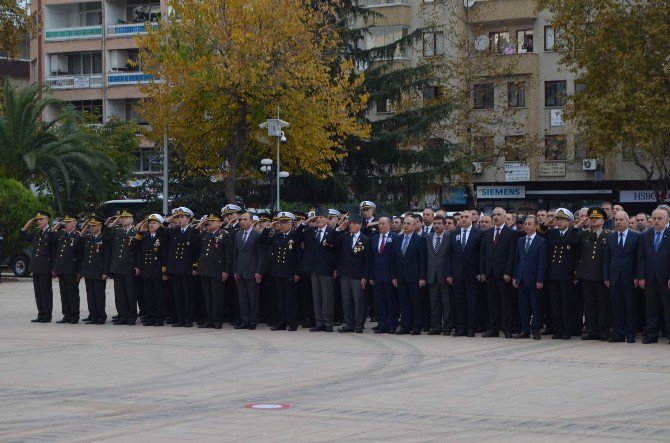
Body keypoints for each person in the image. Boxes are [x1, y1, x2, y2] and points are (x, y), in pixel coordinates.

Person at [604, 211, 642, 343]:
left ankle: (630, 334)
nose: (618, 222)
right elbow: (607, 258)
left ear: (627, 221)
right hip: (615, 277)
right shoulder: (611, 237)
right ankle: (618, 334)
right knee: (617, 307)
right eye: (616, 220)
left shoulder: (636, 236)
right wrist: (607, 277)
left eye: (621, 220)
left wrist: (638, 276)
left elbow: (639, 259)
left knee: (630, 307)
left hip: (630, 278)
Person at [259, 212, 301, 331]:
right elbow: (263, 240)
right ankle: (281, 322)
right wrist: (268, 227)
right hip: (277, 271)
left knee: (290, 299)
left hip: (289, 271)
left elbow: (298, 256)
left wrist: (297, 272)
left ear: (291, 224)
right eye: (280, 222)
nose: (282, 225)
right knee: (280, 299)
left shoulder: (294, 236)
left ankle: (292, 322)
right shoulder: (277, 236)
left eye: (285, 222)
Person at [479, 207, 517, 338]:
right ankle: (493, 328)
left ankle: (507, 328)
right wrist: (482, 272)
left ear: (505, 217)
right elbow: (483, 254)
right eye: (494, 215)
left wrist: (508, 272)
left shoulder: (511, 233)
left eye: (498, 215)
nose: (495, 217)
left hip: (503, 274)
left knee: (505, 303)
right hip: (489, 274)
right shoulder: (487, 233)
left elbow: (512, 255)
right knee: (492, 302)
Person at [297, 207, 337, 332]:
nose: (319, 219)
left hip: (326, 268)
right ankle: (319, 322)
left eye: (321, 217)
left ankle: (328, 323)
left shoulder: (332, 232)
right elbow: (297, 236)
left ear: (327, 220)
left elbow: (336, 252)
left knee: (327, 296)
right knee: (317, 296)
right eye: (317, 217)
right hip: (313, 268)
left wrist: (335, 268)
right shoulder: (310, 231)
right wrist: (306, 222)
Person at [543, 208, 580, 340]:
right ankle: (557, 330)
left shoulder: (574, 233)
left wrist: (576, 274)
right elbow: (539, 232)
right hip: (553, 273)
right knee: (555, 304)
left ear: (569, 221)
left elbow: (576, 255)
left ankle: (567, 330)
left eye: (563, 219)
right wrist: (547, 223)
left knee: (566, 304)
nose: (559, 222)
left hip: (566, 274)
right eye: (558, 219)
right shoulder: (552, 233)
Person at [446, 210, 484, 337]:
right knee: (459, 301)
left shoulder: (478, 233)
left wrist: (480, 272)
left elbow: (481, 255)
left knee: (472, 302)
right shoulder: (454, 234)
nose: (463, 219)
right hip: (457, 274)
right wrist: (449, 274)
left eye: (466, 217)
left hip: (472, 274)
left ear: (472, 218)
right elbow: (449, 255)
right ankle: (460, 328)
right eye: (461, 217)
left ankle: (471, 328)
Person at [576, 208, 611, 341]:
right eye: (591, 218)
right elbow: (571, 238)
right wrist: (579, 223)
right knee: (589, 305)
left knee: (603, 305)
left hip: (601, 276)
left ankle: (603, 331)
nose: (593, 220)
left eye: (596, 218)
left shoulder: (608, 235)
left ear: (603, 221)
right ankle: (591, 331)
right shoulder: (584, 235)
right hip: (586, 275)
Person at [637, 208, 670, 344]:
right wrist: (641, 277)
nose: (656, 221)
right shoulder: (646, 235)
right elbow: (641, 258)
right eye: (654, 218)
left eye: (660, 218)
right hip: (650, 278)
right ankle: (651, 335)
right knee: (650, 308)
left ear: (667, 219)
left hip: (665, 278)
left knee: (668, 308)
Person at [333, 214, 371, 333]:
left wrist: (365, 277)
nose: (352, 225)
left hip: (358, 275)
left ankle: (359, 324)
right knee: (346, 299)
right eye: (351, 223)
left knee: (358, 300)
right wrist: (340, 227)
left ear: (360, 225)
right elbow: (331, 240)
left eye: (354, 223)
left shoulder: (365, 239)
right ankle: (349, 323)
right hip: (345, 273)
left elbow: (368, 261)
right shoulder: (344, 237)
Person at [512, 215, 547, 340]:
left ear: (536, 226)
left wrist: (540, 279)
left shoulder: (541, 242)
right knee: (523, 306)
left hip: (534, 279)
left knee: (535, 306)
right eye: (525, 224)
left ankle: (536, 329)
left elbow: (542, 262)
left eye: (529, 224)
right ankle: (525, 329)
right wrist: (515, 277)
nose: (526, 226)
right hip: (521, 278)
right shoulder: (521, 241)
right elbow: (517, 260)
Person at [164, 207, 200, 328]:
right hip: (175, 268)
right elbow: (162, 227)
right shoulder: (174, 231)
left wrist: (194, 267)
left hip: (187, 268)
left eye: (182, 217)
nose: (179, 220)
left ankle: (188, 319)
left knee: (188, 296)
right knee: (177, 296)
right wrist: (171, 218)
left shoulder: (193, 231)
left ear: (189, 219)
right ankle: (180, 319)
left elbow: (196, 251)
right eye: (178, 217)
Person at [391, 215, 427, 335]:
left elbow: (422, 260)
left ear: (414, 226)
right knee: (404, 302)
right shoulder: (397, 239)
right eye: (404, 223)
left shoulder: (420, 239)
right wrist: (394, 276)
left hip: (415, 277)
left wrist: (422, 277)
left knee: (416, 302)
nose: (405, 225)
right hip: (401, 276)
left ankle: (416, 326)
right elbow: (394, 259)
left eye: (408, 224)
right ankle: (405, 326)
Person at [195, 213, 232, 329]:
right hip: (205, 270)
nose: (210, 223)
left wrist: (226, 271)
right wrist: (198, 226)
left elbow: (229, 256)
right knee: (207, 297)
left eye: (213, 221)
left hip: (217, 271)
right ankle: (209, 320)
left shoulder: (224, 235)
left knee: (217, 297)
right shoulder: (204, 234)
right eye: (208, 221)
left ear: (219, 223)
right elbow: (191, 240)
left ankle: (217, 320)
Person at [104, 209, 140, 325]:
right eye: (122, 218)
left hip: (129, 267)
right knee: (119, 294)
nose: (123, 219)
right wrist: (112, 224)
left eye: (126, 217)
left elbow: (139, 251)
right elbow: (105, 237)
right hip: (117, 266)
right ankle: (122, 316)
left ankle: (131, 317)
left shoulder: (136, 233)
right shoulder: (116, 231)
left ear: (132, 219)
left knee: (130, 294)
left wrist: (138, 266)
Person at [20, 210, 55, 323]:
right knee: (38, 292)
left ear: (47, 220)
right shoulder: (36, 232)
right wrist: (26, 226)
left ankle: (47, 315)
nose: (39, 221)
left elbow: (54, 251)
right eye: (37, 220)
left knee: (46, 292)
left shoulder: (51, 232)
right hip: (35, 266)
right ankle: (40, 313)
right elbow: (23, 238)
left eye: (41, 219)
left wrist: (54, 268)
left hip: (46, 266)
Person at [233, 211, 266, 330]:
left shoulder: (257, 235)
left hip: (252, 271)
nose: (242, 222)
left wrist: (259, 271)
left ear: (251, 221)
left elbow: (261, 255)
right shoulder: (237, 235)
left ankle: (253, 320)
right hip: (240, 271)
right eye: (241, 220)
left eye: (245, 219)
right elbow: (235, 255)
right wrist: (235, 271)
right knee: (242, 298)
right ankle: (244, 320)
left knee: (253, 297)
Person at [135, 213, 167, 326]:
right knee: (148, 296)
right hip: (147, 270)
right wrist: (140, 231)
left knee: (159, 296)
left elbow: (164, 254)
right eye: (150, 223)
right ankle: (150, 317)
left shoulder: (162, 237)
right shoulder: (146, 237)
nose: (151, 225)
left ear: (159, 224)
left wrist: (164, 270)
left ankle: (159, 318)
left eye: (154, 223)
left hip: (157, 271)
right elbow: (136, 244)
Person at [79, 213, 109, 324]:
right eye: (90, 225)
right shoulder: (88, 238)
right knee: (90, 295)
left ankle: (101, 316)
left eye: (94, 225)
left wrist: (105, 272)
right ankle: (93, 314)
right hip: (88, 270)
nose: (91, 227)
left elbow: (106, 256)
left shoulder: (103, 238)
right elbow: (79, 245)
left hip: (99, 271)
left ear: (100, 226)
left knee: (99, 295)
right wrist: (84, 228)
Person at [51, 212, 82, 324]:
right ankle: (66, 315)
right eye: (65, 222)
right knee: (64, 293)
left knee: (72, 293)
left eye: (68, 222)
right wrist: (56, 268)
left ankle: (74, 315)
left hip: (72, 269)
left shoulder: (77, 236)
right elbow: (57, 251)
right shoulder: (62, 235)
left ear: (74, 223)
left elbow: (80, 256)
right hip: (62, 268)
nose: (66, 224)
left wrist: (79, 271)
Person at [369, 216, 397, 334]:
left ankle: (392, 325)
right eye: (379, 223)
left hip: (390, 276)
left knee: (391, 301)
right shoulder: (374, 239)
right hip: (377, 276)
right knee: (379, 302)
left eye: (383, 223)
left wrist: (395, 276)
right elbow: (371, 259)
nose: (381, 225)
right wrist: (371, 276)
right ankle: (382, 324)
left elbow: (396, 258)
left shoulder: (395, 238)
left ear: (389, 225)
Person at [425, 214, 451, 335]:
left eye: (439, 223)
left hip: (445, 275)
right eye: (434, 223)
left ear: (444, 224)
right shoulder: (427, 237)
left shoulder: (449, 236)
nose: (436, 226)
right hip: (431, 275)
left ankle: (447, 327)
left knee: (446, 303)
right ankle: (435, 327)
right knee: (434, 303)